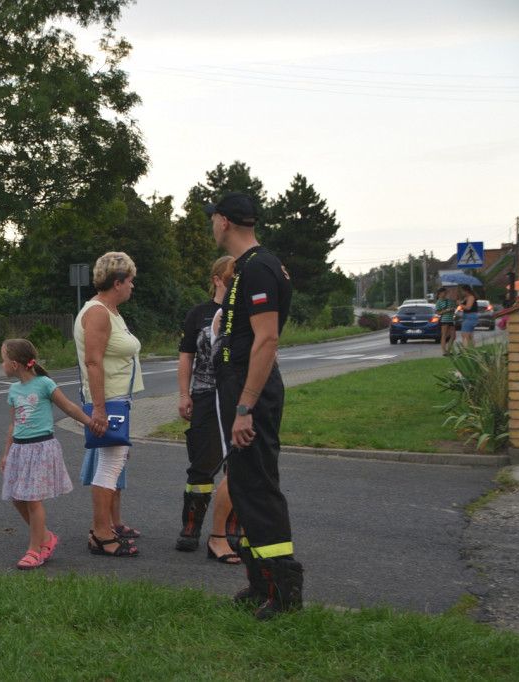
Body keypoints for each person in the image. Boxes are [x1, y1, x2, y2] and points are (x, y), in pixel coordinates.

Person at [207, 192, 303, 619]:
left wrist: (245, 408)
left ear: (224, 221)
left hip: (252, 390)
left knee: (259, 487)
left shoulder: (259, 267)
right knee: (244, 485)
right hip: (240, 385)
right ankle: (260, 582)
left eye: (213, 218)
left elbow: (267, 339)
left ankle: (283, 593)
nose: (211, 225)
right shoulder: (248, 266)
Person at [74, 252, 144, 558]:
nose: (132, 286)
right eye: (130, 281)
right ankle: (101, 534)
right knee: (110, 464)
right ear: (117, 282)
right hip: (109, 401)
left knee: (113, 462)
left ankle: (102, 529)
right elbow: (93, 362)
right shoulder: (98, 313)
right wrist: (99, 409)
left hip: (117, 399)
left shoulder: (110, 311)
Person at [0, 339, 91, 569]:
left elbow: (68, 407)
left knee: (33, 500)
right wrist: (6, 453)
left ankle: (35, 549)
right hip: (19, 450)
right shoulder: (13, 390)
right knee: (18, 498)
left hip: (40, 448)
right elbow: (13, 424)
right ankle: (46, 537)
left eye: (3, 360)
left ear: (14, 364)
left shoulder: (44, 384)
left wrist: (90, 423)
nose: (1, 364)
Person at [175, 255, 239, 564]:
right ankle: (191, 525)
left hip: (236, 396)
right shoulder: (198, 314)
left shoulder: (244, 311)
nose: (236, 280)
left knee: (237, 464)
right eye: (231, 275)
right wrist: (183, 394)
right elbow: (186, 356)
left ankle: (231, 526)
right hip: (204, 394)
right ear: (217, 279)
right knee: (202, 462)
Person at [435, 287, 456, 354]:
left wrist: (452, 309)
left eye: (446, 292)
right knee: (444, 335)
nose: (445, 293)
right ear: (440, 293)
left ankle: (448, 350)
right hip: (444, 320)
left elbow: (454, 308)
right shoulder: (438, 302)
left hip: (451, 319)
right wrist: (446, 310)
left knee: (453, 336)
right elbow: (438, 312)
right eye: (444, 292)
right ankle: (444, 351)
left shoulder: (449, 300)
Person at [458, 284, 478, 348]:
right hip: (466, 316)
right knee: (470, 335)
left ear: (466, 291)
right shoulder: (466, 298)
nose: (461, 292)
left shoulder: (471, 297)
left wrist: (460, 304)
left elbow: (468, 307)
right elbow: (464, 307)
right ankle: (471, 349)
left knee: (465, 334)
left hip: (470, 317)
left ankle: (465, 349)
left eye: (462, 291)